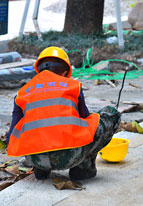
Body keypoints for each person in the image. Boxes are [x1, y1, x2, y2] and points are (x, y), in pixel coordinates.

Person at [7, 46, 121, 181]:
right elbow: (85, 120)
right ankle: (82, 170)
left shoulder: (22, 92)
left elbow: (11, 135)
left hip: (35, 158)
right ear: (65, 72)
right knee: (110, 114)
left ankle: (41, 170)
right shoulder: (72, 86)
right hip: (69, 156)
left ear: (39, 70)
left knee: (35, 127)